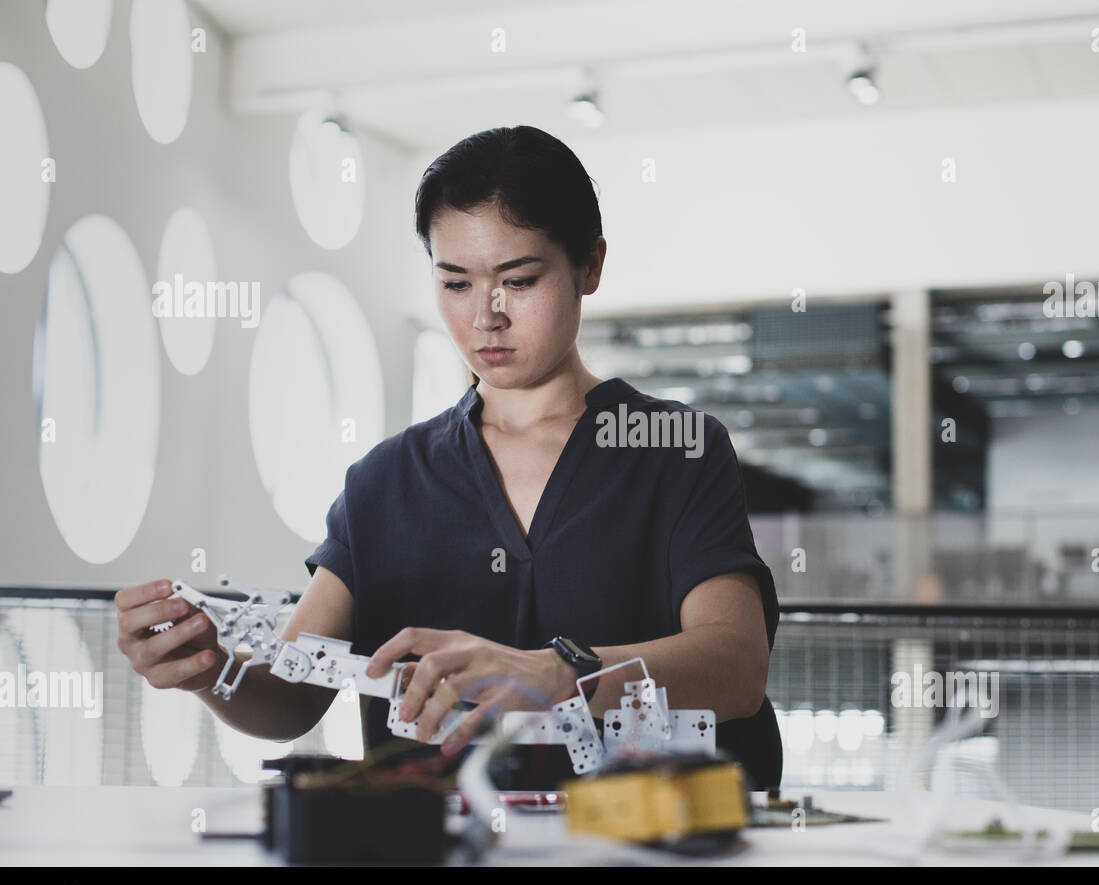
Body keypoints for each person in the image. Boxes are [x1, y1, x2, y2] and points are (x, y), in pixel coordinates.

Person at [115, 125, 783, 788]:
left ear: (590, 265)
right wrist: (209, 671)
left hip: (639, 850)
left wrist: (561, 674)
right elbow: (294, 695)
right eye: (455, 282)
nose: (485, 316)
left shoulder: (676, 451)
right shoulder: (387, 480)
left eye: (518, 279)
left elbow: (735, 667)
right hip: (437, 844)